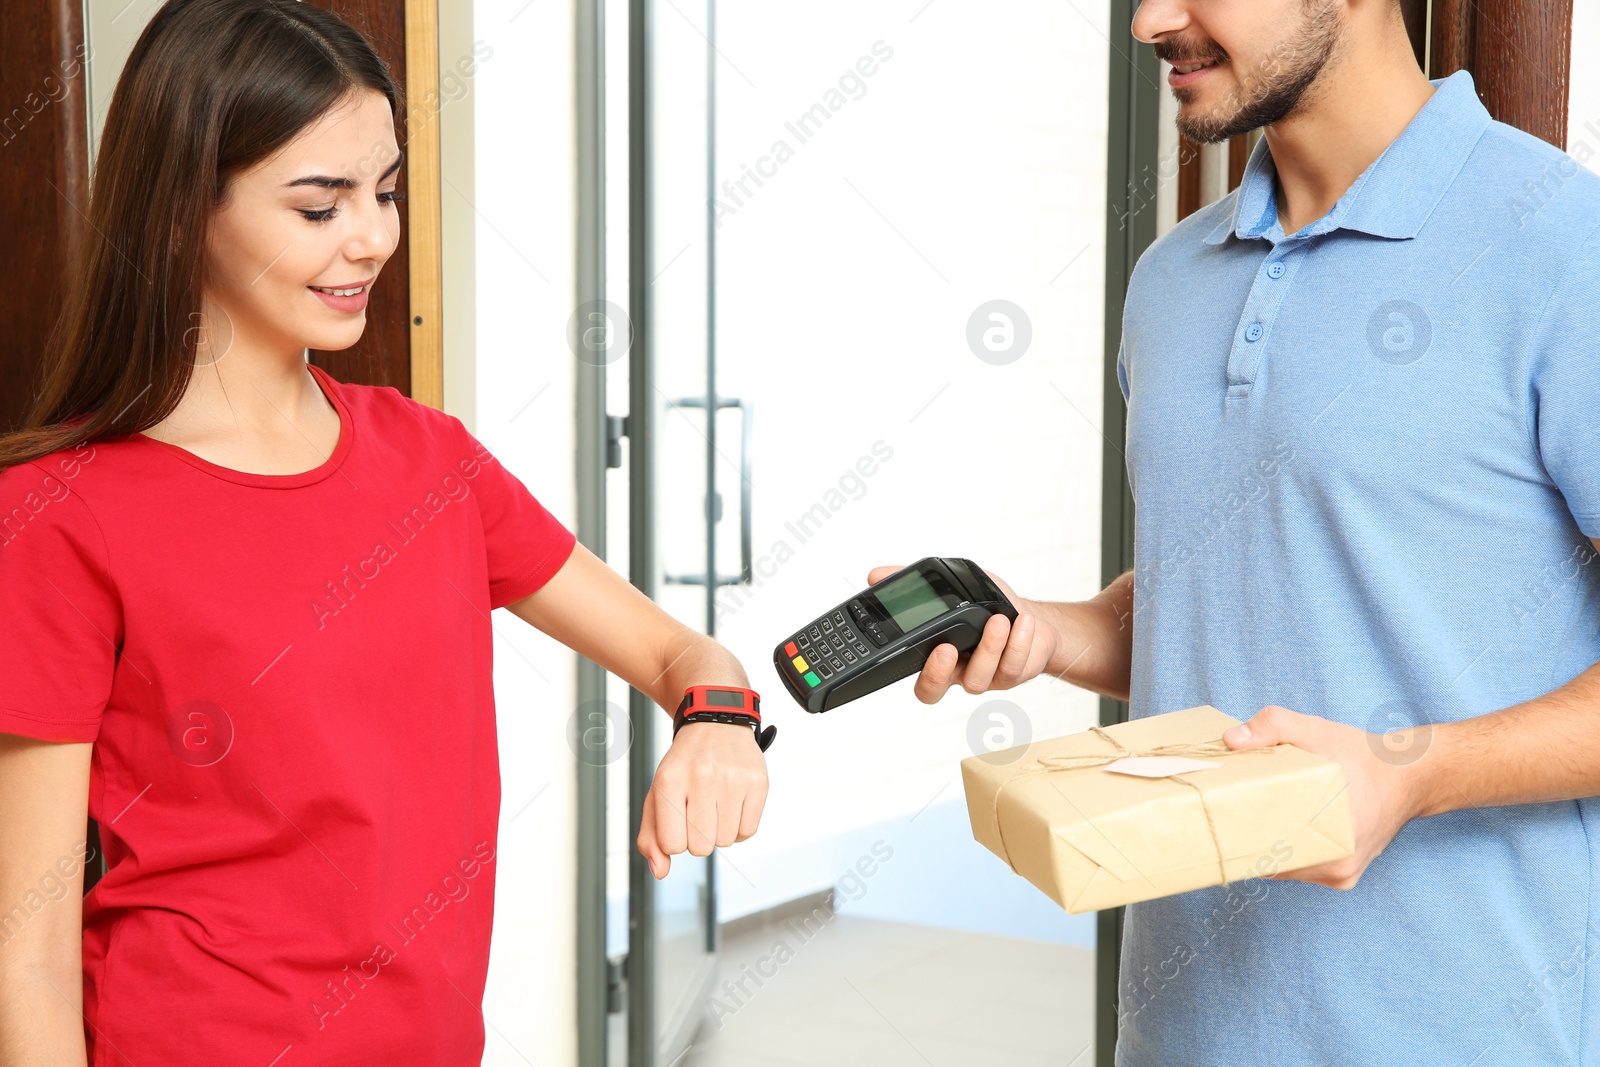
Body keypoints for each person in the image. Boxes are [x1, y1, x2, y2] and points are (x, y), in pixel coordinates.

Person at [0, 2, 767, 1064]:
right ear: (185, 209)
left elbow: (681, 655)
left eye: (386, 190)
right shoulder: (62, 510)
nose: (372, 236)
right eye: (319, 207)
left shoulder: (432, 464)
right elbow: (24, 947)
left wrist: (719, 716)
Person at [880, 0, 1600, 1063]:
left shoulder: (1562, 248)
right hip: (1183, 1029)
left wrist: (1415, 768)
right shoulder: (1170, 278)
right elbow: (1234, 587)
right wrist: (1047, 629)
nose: (1151, 22)